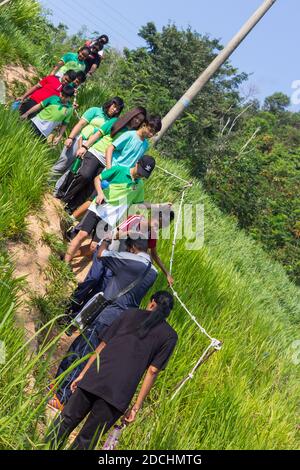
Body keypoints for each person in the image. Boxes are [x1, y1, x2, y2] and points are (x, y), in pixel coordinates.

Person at [47, 290, 177, 450]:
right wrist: (136, 407)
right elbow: (152, 371)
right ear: (167, 314)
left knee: (65, 421)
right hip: (117, 394)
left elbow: (101, 346)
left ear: (151, 303)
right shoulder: (170, 336)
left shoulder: (129, 314)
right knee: (87, 440)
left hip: (94, 378)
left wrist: (83, 374)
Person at [51, 237, 159, 407]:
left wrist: (106, 241)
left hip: (108, 314)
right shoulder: (154, 272)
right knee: (84, 348)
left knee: (83, 351)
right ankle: (59, 384)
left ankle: (61, 396)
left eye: (129, 247)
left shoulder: (130, 260)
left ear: (133, 247)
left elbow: (101, 255)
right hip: (125, 319)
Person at [64, 155, 158, 264]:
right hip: (98, 208)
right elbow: (98, 178)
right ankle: (65, 263)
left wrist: (158, 206)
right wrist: (99, 193)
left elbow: (140, 204)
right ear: (137, 163)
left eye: (143, 175)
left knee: (93, 248)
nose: (140, 175)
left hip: (110, 219)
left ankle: (66, 255)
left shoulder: (139, 185)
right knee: (82, 235)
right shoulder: (119, 170)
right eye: (140, 171)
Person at [59, 107, 147, 212]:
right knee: (84, 175)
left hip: (108, 161)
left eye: (140, 120)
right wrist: (85, 147)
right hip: (96, 152)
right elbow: (98, 134)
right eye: (136, 117)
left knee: (92, 187)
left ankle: (70, 208)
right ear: (131, 115)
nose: (137, 121)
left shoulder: (134, 135)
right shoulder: (115, 122)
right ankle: (63, 198)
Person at [51, 97, 124, 185]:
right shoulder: (95, 111)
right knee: (64, 161)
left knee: (73, 169)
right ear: (110, 103)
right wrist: (70, 137)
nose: (114, 110)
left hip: (91, 148)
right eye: (114, 106)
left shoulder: (113, 122)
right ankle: (47, 181)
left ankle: (57, 189)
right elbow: (80, 124)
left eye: (117, 109)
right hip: (80, 140)